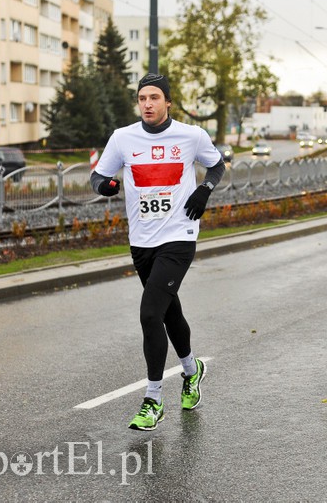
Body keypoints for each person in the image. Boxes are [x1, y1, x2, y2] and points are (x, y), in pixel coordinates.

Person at [90, 73, 226, 431]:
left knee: (151, 313)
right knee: (168, 311)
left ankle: (153, 399)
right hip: (142, 239)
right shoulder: (122, 138)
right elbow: (97, 177)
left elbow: (218, 163)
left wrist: (204, 190)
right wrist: (105, 186)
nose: (147, 104)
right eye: (141, 98)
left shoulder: (191, 136)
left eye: (154, 97)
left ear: (168, 102)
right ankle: (192, 370)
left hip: (179, 235)